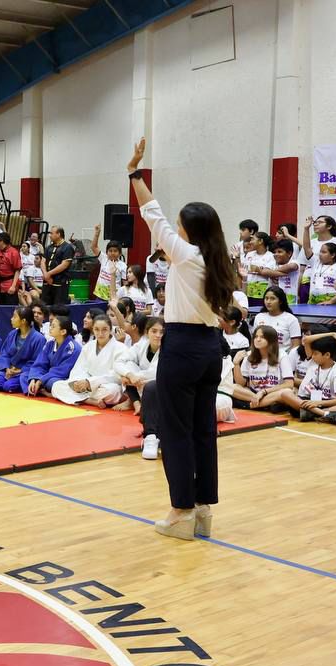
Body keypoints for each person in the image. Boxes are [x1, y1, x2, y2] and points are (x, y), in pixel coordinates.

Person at [127, 138, 241, 541]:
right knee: (202, 430)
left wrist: (134, 172)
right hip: (210, 349)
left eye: (180, 224)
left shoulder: (186, 255)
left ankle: (181, 512)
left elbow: (151, 213)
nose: (174, 228)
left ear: (189, 230)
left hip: (184, 346)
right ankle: (203, 509)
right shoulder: (219, 260)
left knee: (175, 431)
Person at [266, 333, 336, 425]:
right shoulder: (313, 362)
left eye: (315, 353)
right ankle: (324, 414)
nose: (312, 356)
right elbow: (306, 340)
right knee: (285, 393)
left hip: (325, 403)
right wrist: (332, 334)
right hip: (304, 402)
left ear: (327, 355)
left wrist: (318, 403)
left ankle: (313, 414)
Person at [51, 314, 126, 407]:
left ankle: (80, 398)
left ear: (110, 330)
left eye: (104, 329)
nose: (100, 333)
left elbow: (117, 376)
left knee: (112, 391)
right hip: (85, 386)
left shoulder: (120, 348)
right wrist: (78, 382)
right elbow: (79, 368)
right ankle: (88, 400)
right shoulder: (88, 346)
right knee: (57, 386)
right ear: (93, 330)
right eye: (97, 329)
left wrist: (90, 382)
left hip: (104, 385)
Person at [231, 325, 293, 411]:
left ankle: (249, 405)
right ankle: (264, 404)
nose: (258, 339)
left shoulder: (282, 355)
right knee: (231, 387)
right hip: (252, 393)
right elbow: (241, 384)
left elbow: (289, 384)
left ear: (271, 340)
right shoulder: (248, 355)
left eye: (262, 337)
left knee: (287, 392)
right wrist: (236, 364)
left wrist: (264, 392)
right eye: (256, 337)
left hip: (272, 392)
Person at [24, 315, 82, 397]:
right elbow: (40, 363)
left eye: (53, 326)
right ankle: (40, 389)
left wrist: (41, 380)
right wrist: (34, 378)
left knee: (52, 383)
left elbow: (62, 371)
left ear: (63, 331)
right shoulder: (50, 344)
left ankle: (43, 390)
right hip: (49, 375)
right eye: (50, 325)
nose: (50, 328)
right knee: (25, 376)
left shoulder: (73, 348)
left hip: (63, 377)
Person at [0, 305, 44, 392]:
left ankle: (20, 383)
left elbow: (36, 361)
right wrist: (7, 368)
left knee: (8, 386)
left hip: (24, 372)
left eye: (14, 317)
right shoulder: (12, 334)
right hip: (9, 370)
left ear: (23, 321)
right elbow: (4, 353)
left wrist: (20, 370)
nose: (11, 319)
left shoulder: (39, 339)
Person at [252, 286, 300, 355]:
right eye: (266, 298)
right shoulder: (259, 317)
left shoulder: (291, 319)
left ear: (280, 301)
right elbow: (254, 340)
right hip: (261, 356)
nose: (268, 302)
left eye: (272, 299)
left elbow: (296, 345)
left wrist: (286, 358)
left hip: (283, 357)